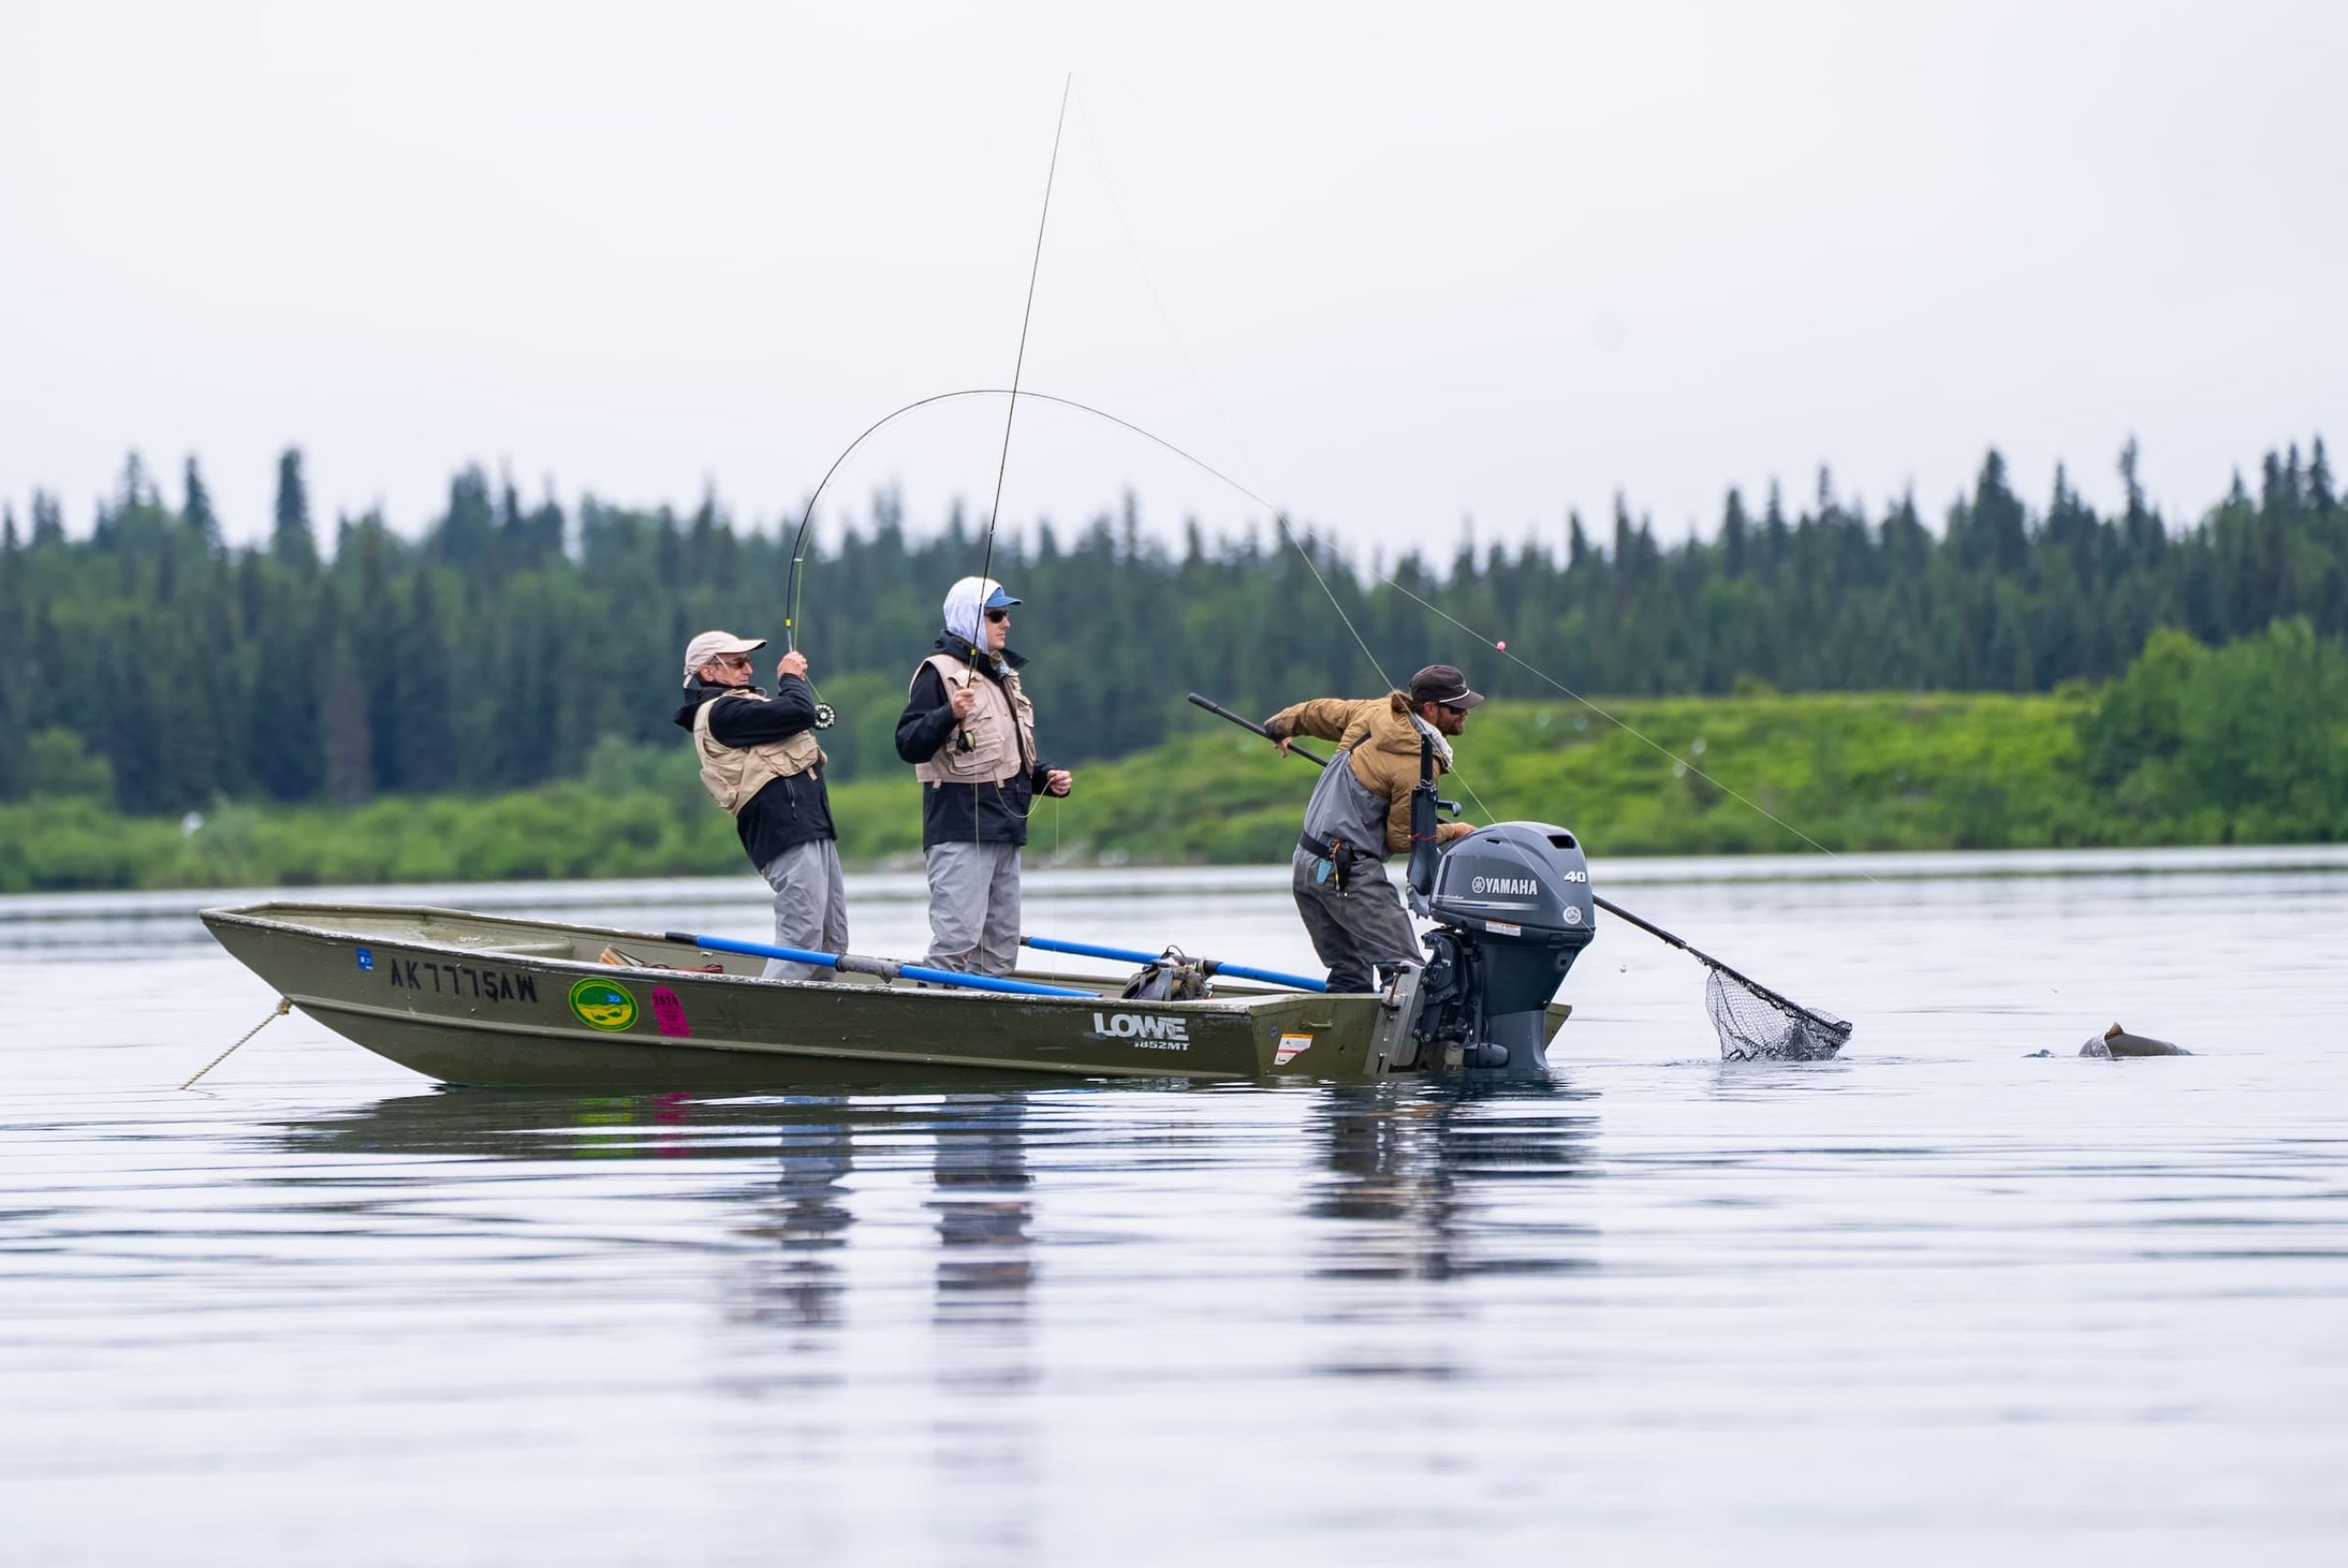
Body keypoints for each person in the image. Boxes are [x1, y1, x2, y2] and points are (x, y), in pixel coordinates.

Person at [1264, 664, 1483, 992]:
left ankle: (1346, 1043)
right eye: (1457, 708)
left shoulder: (1374, 712)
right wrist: (1454, 831)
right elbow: (1401, 838)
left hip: (1307, 867)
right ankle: (1415, 1044)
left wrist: (1278, 726)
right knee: (1407, 974)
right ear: (1430, 709)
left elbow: (1316, 712)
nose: (1465, 713)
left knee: (1349, 975)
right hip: (1348, 874)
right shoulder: (1416, 761)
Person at [894, 577, 1073, 975]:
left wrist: (1046, 779)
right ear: (969, 619)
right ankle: (933, 1018)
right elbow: (908, 744)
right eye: (995, 615)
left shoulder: (1005, 675)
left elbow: (1008, 757)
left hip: (1005, 828)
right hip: (959, 827)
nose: (1006, 623)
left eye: (1006, 614)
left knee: (1000, 946)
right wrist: (949, 713)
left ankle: (984, 1024)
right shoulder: (936, 672)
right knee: (956, 940)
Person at [672, 628, 847, 982]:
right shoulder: (722, 712)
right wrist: (790, 676)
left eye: (749, 661)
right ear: (709, 672)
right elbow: (800, 710)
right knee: (802, 937)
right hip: (785, 833)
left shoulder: (745, 706)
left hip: (811, 827)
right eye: (737, 662)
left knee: (831, 941)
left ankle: (819, 1023)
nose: (749, 669)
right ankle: (763, 1017)